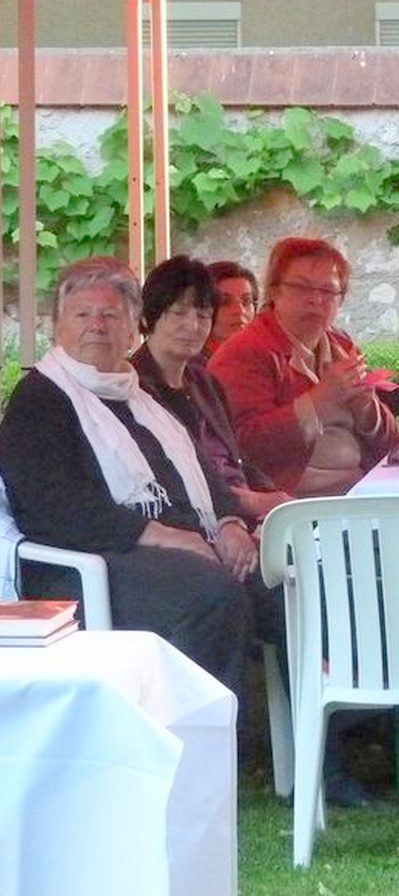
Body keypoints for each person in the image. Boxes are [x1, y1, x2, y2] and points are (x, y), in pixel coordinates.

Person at [0, 256, 269, 698]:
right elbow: (53, 510)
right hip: (85, 563)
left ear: (132, 329)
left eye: (111, 315)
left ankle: (329, 736)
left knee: (280, 581)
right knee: (211, 598)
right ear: (57, 328)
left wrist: (229, 523)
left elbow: (203, 470)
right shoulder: (41, 399)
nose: (97, 326)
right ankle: (194, 749)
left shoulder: (138, 391)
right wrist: (161, 535)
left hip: (175, 544)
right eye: (82, 314)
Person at [211, 236, 399, 496]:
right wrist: (319, 401)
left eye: (328, 291)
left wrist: (367, 408)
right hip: (301, 509)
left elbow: (390, 443)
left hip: (365, 488)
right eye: (301, 288)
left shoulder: (340, 343)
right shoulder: (247, 352)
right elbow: (244, 449)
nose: (315, 300)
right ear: (274, 291)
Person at [132, 256, 293, 525]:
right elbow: (174, 478)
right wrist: (254, 503)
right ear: (151, 314)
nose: (193, 326)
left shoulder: (206, 383)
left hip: (245, 512)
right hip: (197, 520)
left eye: (203, 315)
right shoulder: (134, 387)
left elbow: (237, 460)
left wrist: (276, 497)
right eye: (179, 313)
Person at [205, 260, 259, 357]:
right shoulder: (188, 365)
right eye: (225, 302)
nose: (240, 311)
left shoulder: (268, 357)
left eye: (246, 301)